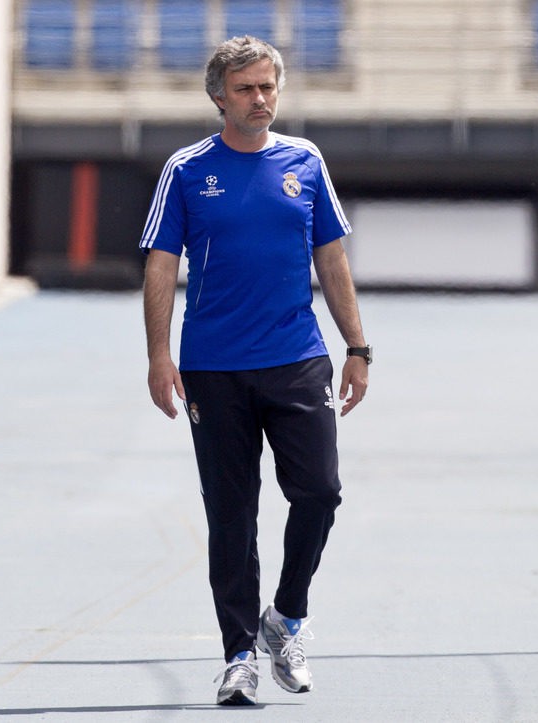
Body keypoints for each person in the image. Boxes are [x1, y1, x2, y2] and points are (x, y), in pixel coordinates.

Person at [140, 35, 370, 706]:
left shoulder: (305, 160)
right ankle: (238, 653)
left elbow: (331, 258)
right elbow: (160, 265)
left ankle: (285, 617)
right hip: (213, 368)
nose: (260, 98)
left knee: (320, 493)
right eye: (246, 88)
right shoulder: (186, 169)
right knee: (233, 515)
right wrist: (159, 356)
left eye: (268, 86)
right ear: (219, 97)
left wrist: (357, 346)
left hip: (298, 359)